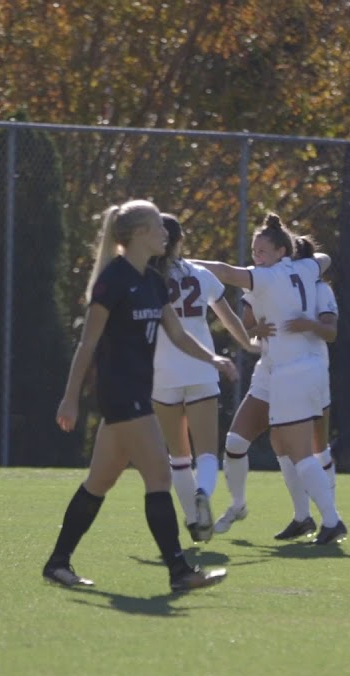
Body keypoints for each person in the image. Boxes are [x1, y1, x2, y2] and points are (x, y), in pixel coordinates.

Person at [43, 199, 237, 593]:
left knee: (99, 482)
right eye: (157, 227)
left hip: (137, 392)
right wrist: (70, 398)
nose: (165, 233)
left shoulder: (152, 280)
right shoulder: (112, 281)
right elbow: (88, 344)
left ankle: (57, 563)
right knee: (160, 476)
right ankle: (179, 572)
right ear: (136, 235)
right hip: (119, 393)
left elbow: (179, 335)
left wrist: (214, 358)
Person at [198, 214, 347, 545]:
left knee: (306, 450)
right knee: (273, 444)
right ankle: (301, 517)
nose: (256, 256)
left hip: (299, 369)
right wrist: (254, 330)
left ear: (282, 251)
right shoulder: (305, 269)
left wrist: (181, 261)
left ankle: (333, 520)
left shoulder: (274, 278)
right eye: (254, 250)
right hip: (277, 367)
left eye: (262, 250)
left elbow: (223, 271)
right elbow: (323, 259)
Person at [149, 213, 256, 543]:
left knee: (178, 457)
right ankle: (203, 493)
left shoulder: (144, 277)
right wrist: (248, 345)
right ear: (181, 240)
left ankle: (195, 521)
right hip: (200, 368)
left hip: (163, 372)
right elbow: (229, 318)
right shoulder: (201, 274)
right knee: (207, 453)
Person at [271, 275, 338, 541]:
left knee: (316, 446)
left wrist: (308, 324)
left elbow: (331, 332)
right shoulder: (277, 285)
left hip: (313, 372)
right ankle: (303, 517)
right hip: (284, 373)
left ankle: (331, 518)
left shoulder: (319, 287)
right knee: (279, 440)